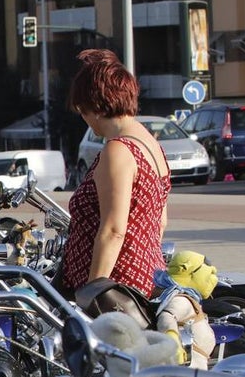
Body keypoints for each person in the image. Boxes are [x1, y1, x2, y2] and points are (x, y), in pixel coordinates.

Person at [61, 49, 170, 302]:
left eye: (82, 109)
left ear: (96, 105)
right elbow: (160, 222)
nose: (84, 118)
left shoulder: (118, 150)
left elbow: (113, 230)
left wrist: (92, 295)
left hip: (116, 285)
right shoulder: (150, 144)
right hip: (144, 275)